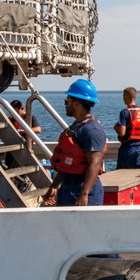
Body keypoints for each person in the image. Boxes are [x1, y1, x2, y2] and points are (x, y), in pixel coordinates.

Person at [44, 79, 107, 207]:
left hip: (83, 189)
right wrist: (54, 186)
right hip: (67, 188)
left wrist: (84, 194)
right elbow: (68, 163)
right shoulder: (76, 127)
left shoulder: (92, 130)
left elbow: (94, 163)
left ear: (77, 103)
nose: (65, 104)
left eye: (67, 101)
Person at [114, 87, 140, 170]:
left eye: (124, 96)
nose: (123, 98)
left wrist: (115, 128)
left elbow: (122, 133)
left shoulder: (124, 112)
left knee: (125, 174)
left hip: (128, 148)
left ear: (128, 97)